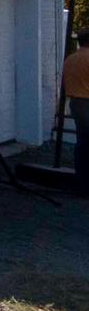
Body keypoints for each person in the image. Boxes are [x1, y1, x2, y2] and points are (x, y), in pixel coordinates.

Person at [64, 33, 89, 192]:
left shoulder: (70, 59)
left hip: (75, 102)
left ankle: (81, 179)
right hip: (87, 100)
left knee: (82, 141)